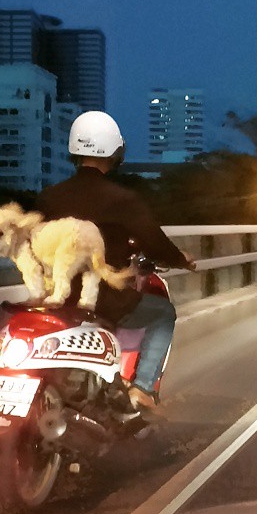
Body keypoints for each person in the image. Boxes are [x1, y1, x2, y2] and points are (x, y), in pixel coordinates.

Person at [36, 111, 195, 410]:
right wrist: (181, 259)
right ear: (114, 151)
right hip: (105, 299)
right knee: (163, 314)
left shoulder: (48, 197)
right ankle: (143, 389)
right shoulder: (122, 199)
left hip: (57, 296)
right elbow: (155, 243)